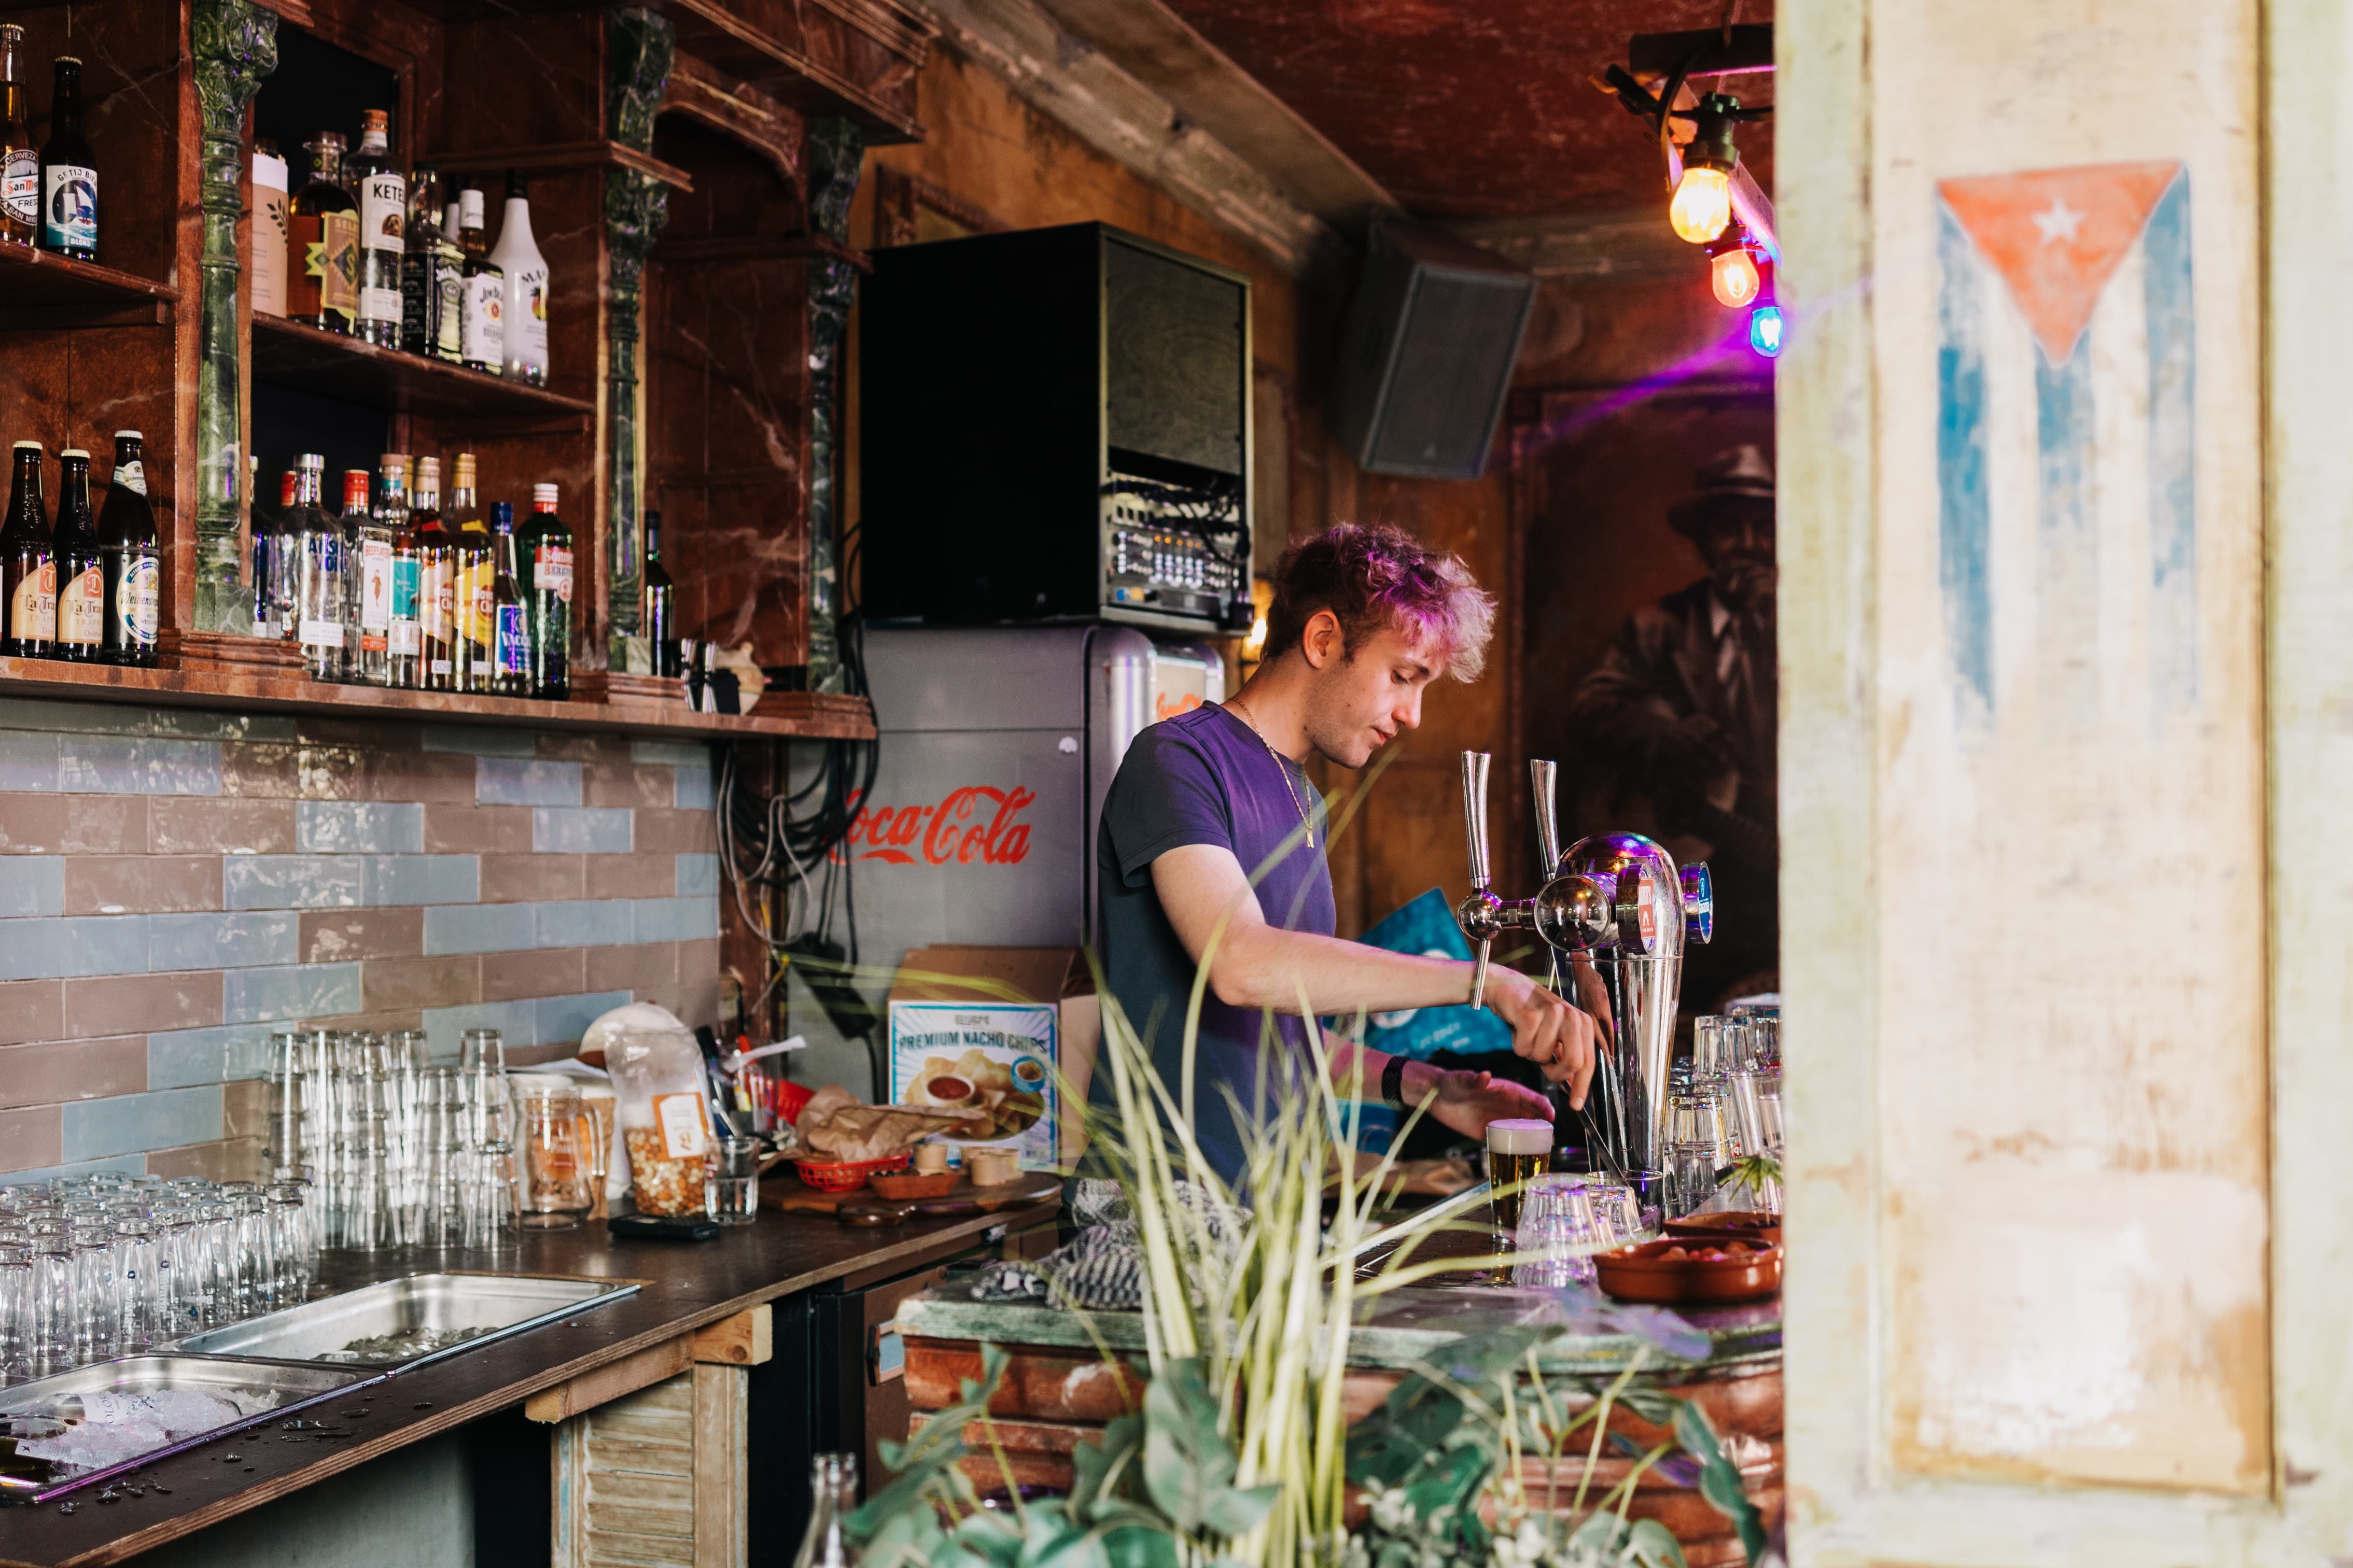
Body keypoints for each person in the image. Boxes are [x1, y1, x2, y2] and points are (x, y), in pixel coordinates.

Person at [1095, 522, 1597, 1188]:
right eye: (1402, 676)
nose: (1413, 714)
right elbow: (1241, 967)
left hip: (1271, 1216)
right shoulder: (1179, 760)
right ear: (1324, 639)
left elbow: (1279, 1033)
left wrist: (1429, 1087)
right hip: (1157, 1217)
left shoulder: (1305, 800)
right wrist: (1487, 983)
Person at [1565, 443, 1779, 1008]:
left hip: (1778, 861)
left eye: (1763, 528)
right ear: (1704, 539)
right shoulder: (1657, 626)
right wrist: (1664, 737)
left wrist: (1780, 626)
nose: (1749, 545)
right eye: (1731, 529)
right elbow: (1590, 709)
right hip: (1690, 861)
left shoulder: (1809, 624)